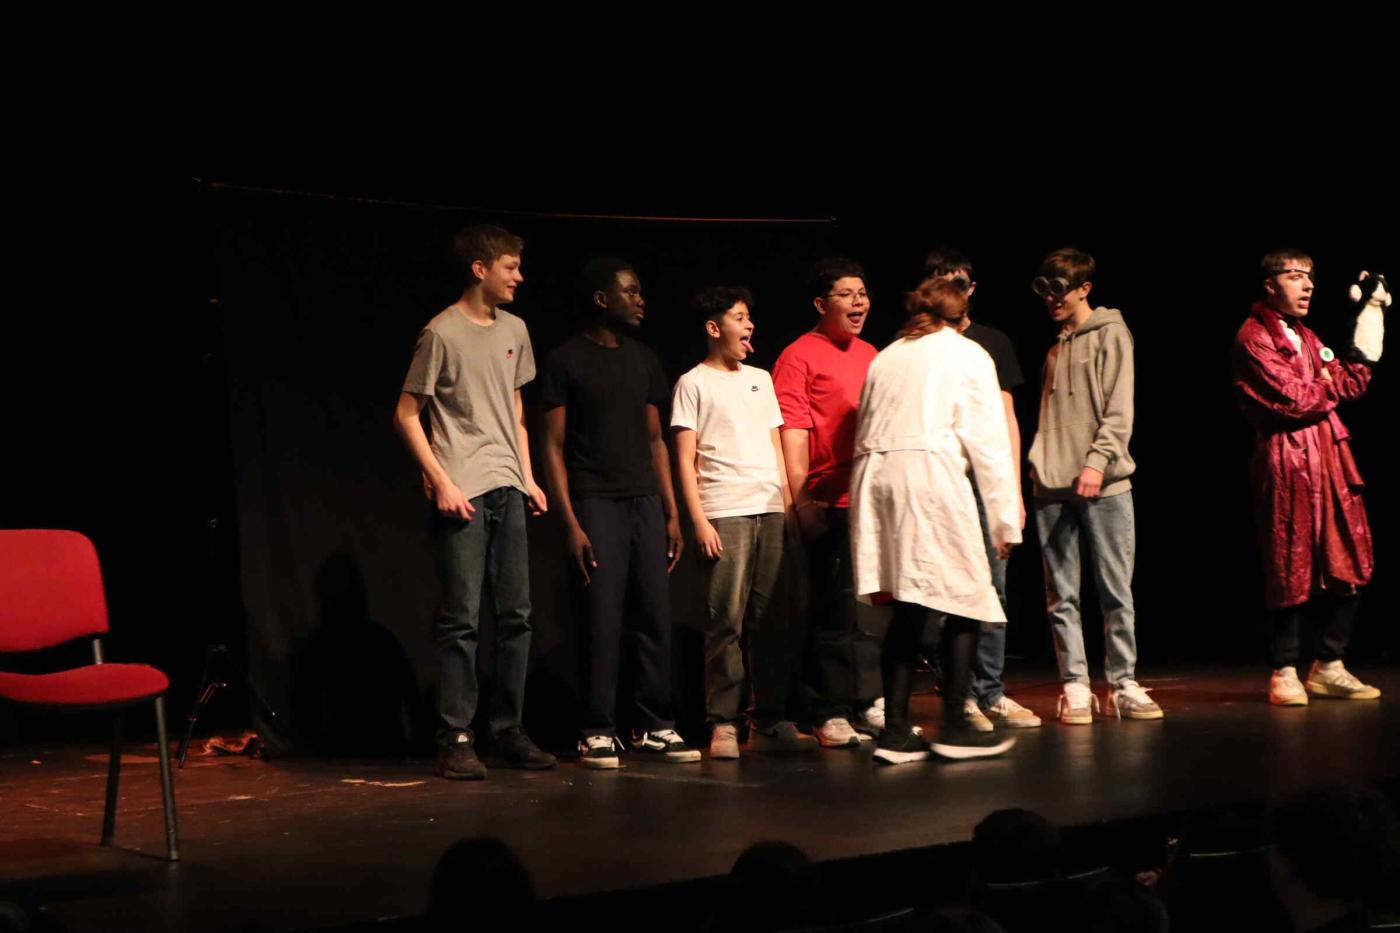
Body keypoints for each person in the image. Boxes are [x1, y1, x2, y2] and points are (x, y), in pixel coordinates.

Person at [394, 224, 556, 780]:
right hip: (463, 489)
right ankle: (456, 736)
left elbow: (515, 410)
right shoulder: (440, 333)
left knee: (517, 617)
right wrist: (440, 479)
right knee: (462, 619)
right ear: (480, 269)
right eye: (510, 267)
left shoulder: (515, 329)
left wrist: (528, 477)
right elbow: (406, 414)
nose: (519, 277)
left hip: (508, 485)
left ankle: (507, 731)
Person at [540, 257, 700, 768]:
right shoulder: (566, 360)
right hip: (596, 500)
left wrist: (671, 511)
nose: (640, 300)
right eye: (629, 292)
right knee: (602, 617)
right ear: (600, 299)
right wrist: (569, 522)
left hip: (645, 501)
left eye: (640, 291)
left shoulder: (645, 359)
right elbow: (553, 446)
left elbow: (656, 440)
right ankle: (597, 728)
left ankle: (655, 724)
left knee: (654, 614)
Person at [851, 278, 1020, 763]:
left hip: (877, 481)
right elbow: (987, 443)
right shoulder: (966, 354)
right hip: (927, 477)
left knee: (910, 604)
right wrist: (1005, 520)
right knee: (967, 595)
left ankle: (896, 732)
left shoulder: (887, 356)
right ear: (960, 316)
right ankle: (955, 727)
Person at [1231, 251, 1386, 705]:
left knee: (1349, 551)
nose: (1308, 285)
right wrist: (1325, 385)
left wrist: (1369, 318)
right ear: (1269, 284)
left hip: (1329, 454)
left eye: (1310, 277)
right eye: (1296, 275)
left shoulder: (1306, 335)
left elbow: (1349, 383)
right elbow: (1293, 400)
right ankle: (1284, 670)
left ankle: (1330, 664)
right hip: (1287, 458)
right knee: (1289, 556)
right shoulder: (1253, 336)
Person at [671, 286, 817, 758]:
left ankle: (769, 718)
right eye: (739, 317)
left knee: (772, 620)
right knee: (725, 623)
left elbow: (775, 445)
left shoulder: (760, 378)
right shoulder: (693, 383)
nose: (749, 325)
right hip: (724, 510)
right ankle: (723, 723)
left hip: (769, 508)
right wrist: (699, 521)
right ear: (714, 328)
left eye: (749, 317)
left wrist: (788, 507)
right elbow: (685, 459)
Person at [1026, 248, 1161, 724]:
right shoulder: (1055, 347)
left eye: (1060, 289)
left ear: (1085, 288)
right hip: (1051, 486)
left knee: (1114, 589)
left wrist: (1096, 463)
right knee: (1061, 595)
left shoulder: (1111, 334)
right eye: (1045, 290)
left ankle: (1123, 683)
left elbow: (1119, 409)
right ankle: (1076, 685)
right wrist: (1040, 465)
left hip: (1104, 484)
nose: (1052, 299)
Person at [922, 248, 1040, 732]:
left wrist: (1012, 492)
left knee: (994, 587)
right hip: (941, 482)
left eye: (960, 282)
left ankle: (991, 691)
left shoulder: (992, 343)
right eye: (942, 281)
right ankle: (960, 694)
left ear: (971, 290)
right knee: (945, 589)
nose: (952, 290)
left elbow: (1006, 417)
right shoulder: (919, 346)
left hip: (985, 481)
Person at [772, 257, 884, 748]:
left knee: (870, 611)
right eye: (846, 294)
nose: (859, 302)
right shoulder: (798, 356)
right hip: (827, 499)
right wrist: (803, 500)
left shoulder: (872, 354)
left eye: (863, 293)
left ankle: (867, 701)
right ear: (821, 304)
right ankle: (828, 710)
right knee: (831, 611)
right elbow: (792, 431)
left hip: (870, 499)